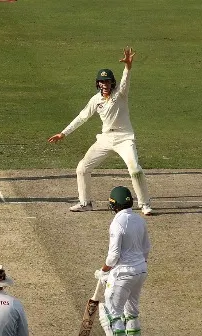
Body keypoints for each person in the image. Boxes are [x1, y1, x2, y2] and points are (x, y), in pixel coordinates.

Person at [47, 47, 153, 215]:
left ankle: (145, 204)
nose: (105, 84)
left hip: (124, 138)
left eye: (108, 82)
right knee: (82, 168)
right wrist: (63, 133)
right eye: (102, 82)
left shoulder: (121, 94)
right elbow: (82, 117)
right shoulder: (95, 100)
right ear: (98, 84)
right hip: (105, 138)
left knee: (135, 170)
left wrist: (127, 66)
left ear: (112, 83)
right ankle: (86, 203)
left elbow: (126, 80)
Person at [94, 186, 151, 336]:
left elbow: (113, 255)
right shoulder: (139, 220)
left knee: (111, 314)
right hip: (140, 271)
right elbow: (146, 249)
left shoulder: (117, 223)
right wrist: (137, 266)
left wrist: (103, 271)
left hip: (123, 274)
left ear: (114, 204)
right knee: (131, 312)